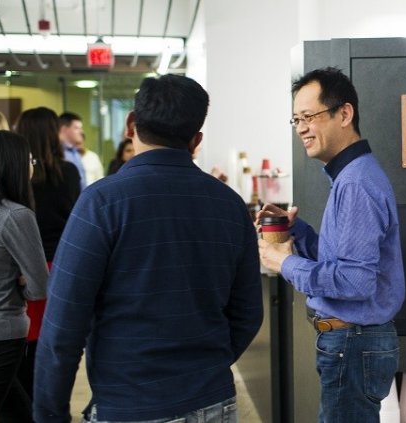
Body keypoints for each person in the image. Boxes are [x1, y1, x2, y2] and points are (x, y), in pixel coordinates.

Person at [34, 74, 263, 423]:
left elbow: (62, 328)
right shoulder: (230, 205)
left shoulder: (101, 203)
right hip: (213, 399)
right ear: (196, 140)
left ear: (130, 124)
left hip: (128, 403)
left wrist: (49, 414)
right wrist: (202, 367)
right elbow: (248, 313)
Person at [257, 67, 405, 422]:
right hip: (352, 343)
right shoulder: (351, 177)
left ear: (345, 113)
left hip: (353, 343)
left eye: (309, 116)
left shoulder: (355, 183)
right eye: (295, 120)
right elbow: (342, 260)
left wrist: (284, 263)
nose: (302, 128)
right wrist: (299, 232)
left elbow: (355, 281)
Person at [6, 106, 81, 422]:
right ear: (53, 133)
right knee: (56, 353)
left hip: (21, 271)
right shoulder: (68, 173)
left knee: (21, 355)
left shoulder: (14, 177)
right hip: (60, 268)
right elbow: (75, 223)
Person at [0, 131, 49, 416]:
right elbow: (40, 286)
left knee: (18, 412)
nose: (33, 164)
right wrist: (24, 283)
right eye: (30, 159)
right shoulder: (15, 216)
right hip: (3, 331)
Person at [58, 112, 87, 189]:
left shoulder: (75, 152)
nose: (81, 132)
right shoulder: (57, 152)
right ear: (64, 129)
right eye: (77, 128)